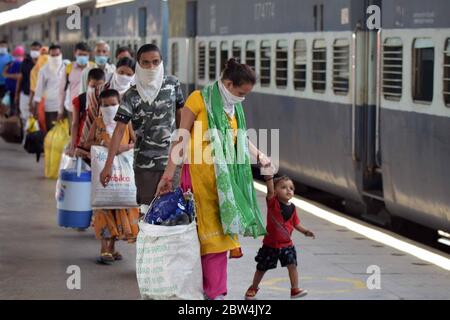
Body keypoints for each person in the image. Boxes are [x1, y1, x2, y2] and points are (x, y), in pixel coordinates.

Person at [154, 58, 270, 300]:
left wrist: (259, 155)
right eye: (240, 92)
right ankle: (204, 291)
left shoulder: (233, 106)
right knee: (204, 239)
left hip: (226, 185)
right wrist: (168, 174)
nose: (242, 98)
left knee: (220, 237)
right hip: (198, 180)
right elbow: (181, 138)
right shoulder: (198, 99)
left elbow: (239, 137)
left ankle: (214, 293)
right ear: (227, 83)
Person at [99, 44, 184, 205]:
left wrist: (187, 151)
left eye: (155, 62)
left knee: (171, 212)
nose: (151, 67)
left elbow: (182, 118)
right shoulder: (131, 95)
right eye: (145, 63)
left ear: (161, 62)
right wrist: (108, 165)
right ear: (138, 63)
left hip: (173, 163)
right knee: (147, 211)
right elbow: (119, 131)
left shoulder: (172, 85)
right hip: (145, 166)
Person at [84, 89, 138, 264]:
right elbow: (87, 142)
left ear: (120, 104)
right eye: (105, 105)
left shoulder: (126, 122)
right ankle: (104, 249)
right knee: (105, 208)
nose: (109, 108)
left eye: (113, 105)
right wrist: (102, 143)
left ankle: (112, 248)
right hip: (104, 175)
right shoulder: (98, 122)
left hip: (121, 175)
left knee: (119, 208)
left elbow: (135, 141)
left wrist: (124, 148)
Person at [245, 175, 315, 300]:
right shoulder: (273, 203)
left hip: (287, 244)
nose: (288, 190)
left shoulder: (292, 208)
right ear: (276, 191)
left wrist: (305, 231)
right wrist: (269, 178)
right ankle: (253, 288)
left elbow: (295, 224)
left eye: (291, 188)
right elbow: (270, 191)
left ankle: (294, 289)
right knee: (262, 268)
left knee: (292, 265)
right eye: (283, 187)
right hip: (271, 245)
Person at [69, 68, 106, 157]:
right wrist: (72, 146)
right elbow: (75, 124)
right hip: (82, 142)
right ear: (87, 83)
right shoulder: (80, 100)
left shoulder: (107, 100)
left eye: (99, 86)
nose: (96, 90)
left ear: (105, 84)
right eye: (93, 86)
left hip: (100, 143)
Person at [33, 44, 66, 132]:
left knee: (65, 132)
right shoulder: (44, 70)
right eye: (52, 55)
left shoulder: (67, 67)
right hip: (50, 106)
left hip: (66, 105)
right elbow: (38, 90)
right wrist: (36, 109)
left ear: (61, 54)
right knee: (51, 132)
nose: (55, 57)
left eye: (57, 55)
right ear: (49, 55)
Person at [60, 42, 93, 123]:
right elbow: (61, 91)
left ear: (89, 55)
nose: (82, 57)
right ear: (75, 53)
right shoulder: (68, 68)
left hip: (89, 108)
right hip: (72, 109)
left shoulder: (93, 67)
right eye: (80, 54)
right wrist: (60, 111)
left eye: (85, 55)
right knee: (73, 132)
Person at [14, 41, 42, 128]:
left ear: (41, 50)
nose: (35, 51)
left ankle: (38, 138)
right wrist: (17, 94)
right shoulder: (25, 62)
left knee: (38, 117)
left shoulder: (45, 62)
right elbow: (20, 78)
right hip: (25, 94)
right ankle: (26, 138)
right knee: (25, 117)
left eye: (37, 49)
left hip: (40, 95)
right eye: (33, 49)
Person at [3, 45, 25, 115]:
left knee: (17, 107)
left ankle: (16, 121)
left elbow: (19, 76)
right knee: (13, 106)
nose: (17, 56)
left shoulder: (21, 64)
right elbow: (4, 73)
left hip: (18, 90)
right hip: (12, 90)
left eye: (19, 54)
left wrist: (8, 75)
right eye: (16, 54)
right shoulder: (12, 63)